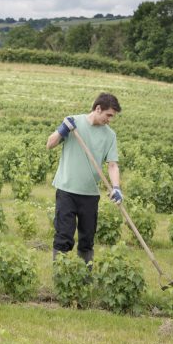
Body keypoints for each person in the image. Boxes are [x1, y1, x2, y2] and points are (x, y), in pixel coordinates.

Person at [45, 92, 122, 263]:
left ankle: (84, 280)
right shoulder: (73, 123)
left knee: (87, 240)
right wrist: (62, 130)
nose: (110, 119)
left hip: (90, 194)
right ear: (98, 108)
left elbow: (112, 165)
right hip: (66, 190)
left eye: (113, 116)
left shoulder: (110, 135)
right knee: (63, 236)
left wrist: (116, 187)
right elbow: (49, 144)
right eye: (108, 115)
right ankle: (61, 278)